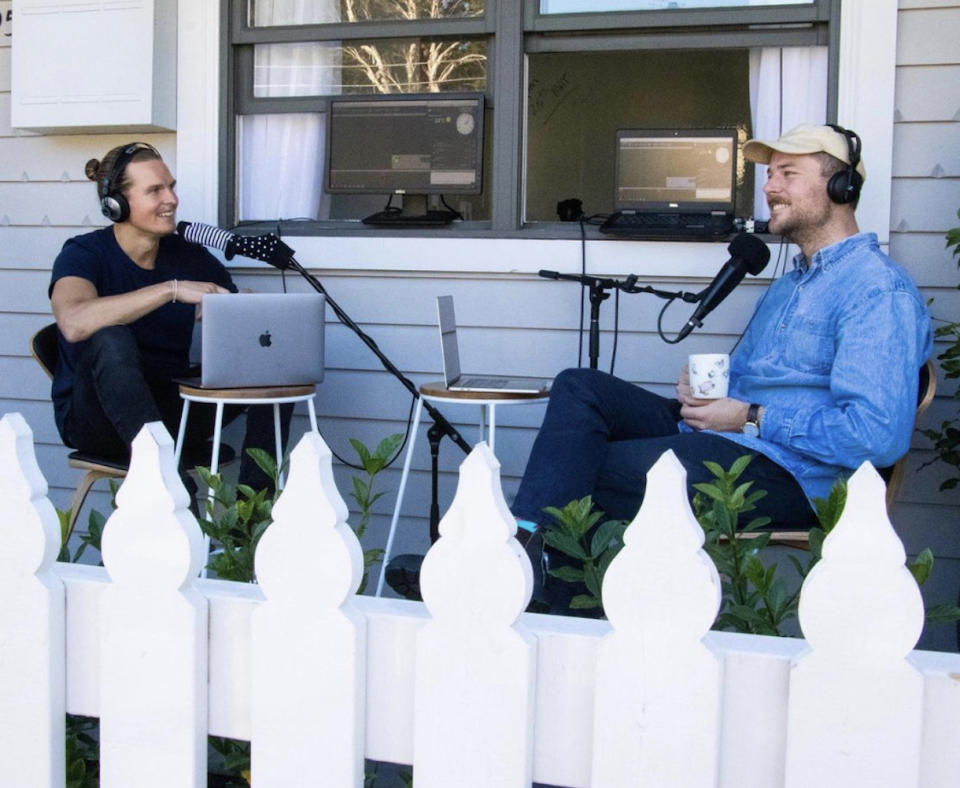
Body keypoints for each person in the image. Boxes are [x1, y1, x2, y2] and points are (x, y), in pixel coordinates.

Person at [511, 124, 932, 608]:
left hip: (796, 474)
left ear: (841, 189)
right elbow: (753, 379)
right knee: (580, 387)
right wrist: (707, 392)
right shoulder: (790, 283)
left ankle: (531, 587)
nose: (770, 187)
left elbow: (876, 436)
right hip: (733, 437)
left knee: (589, 470)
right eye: (770, 174)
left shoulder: (877, 292)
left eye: (788, 174)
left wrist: (751, 418)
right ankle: (526, 554)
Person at [49, 141, 289, 495]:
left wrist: (240, 310)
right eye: (155, 190)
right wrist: (170, 290)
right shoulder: (83, 253)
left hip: (173, 410)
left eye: (172, 187)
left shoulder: (189, 256)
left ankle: (250, 521)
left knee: (271, 361)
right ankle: (175, 491)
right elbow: (73, 321)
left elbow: (233, 316)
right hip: (98, 420)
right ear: (116, 204)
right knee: (109, 338)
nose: (172, 200)